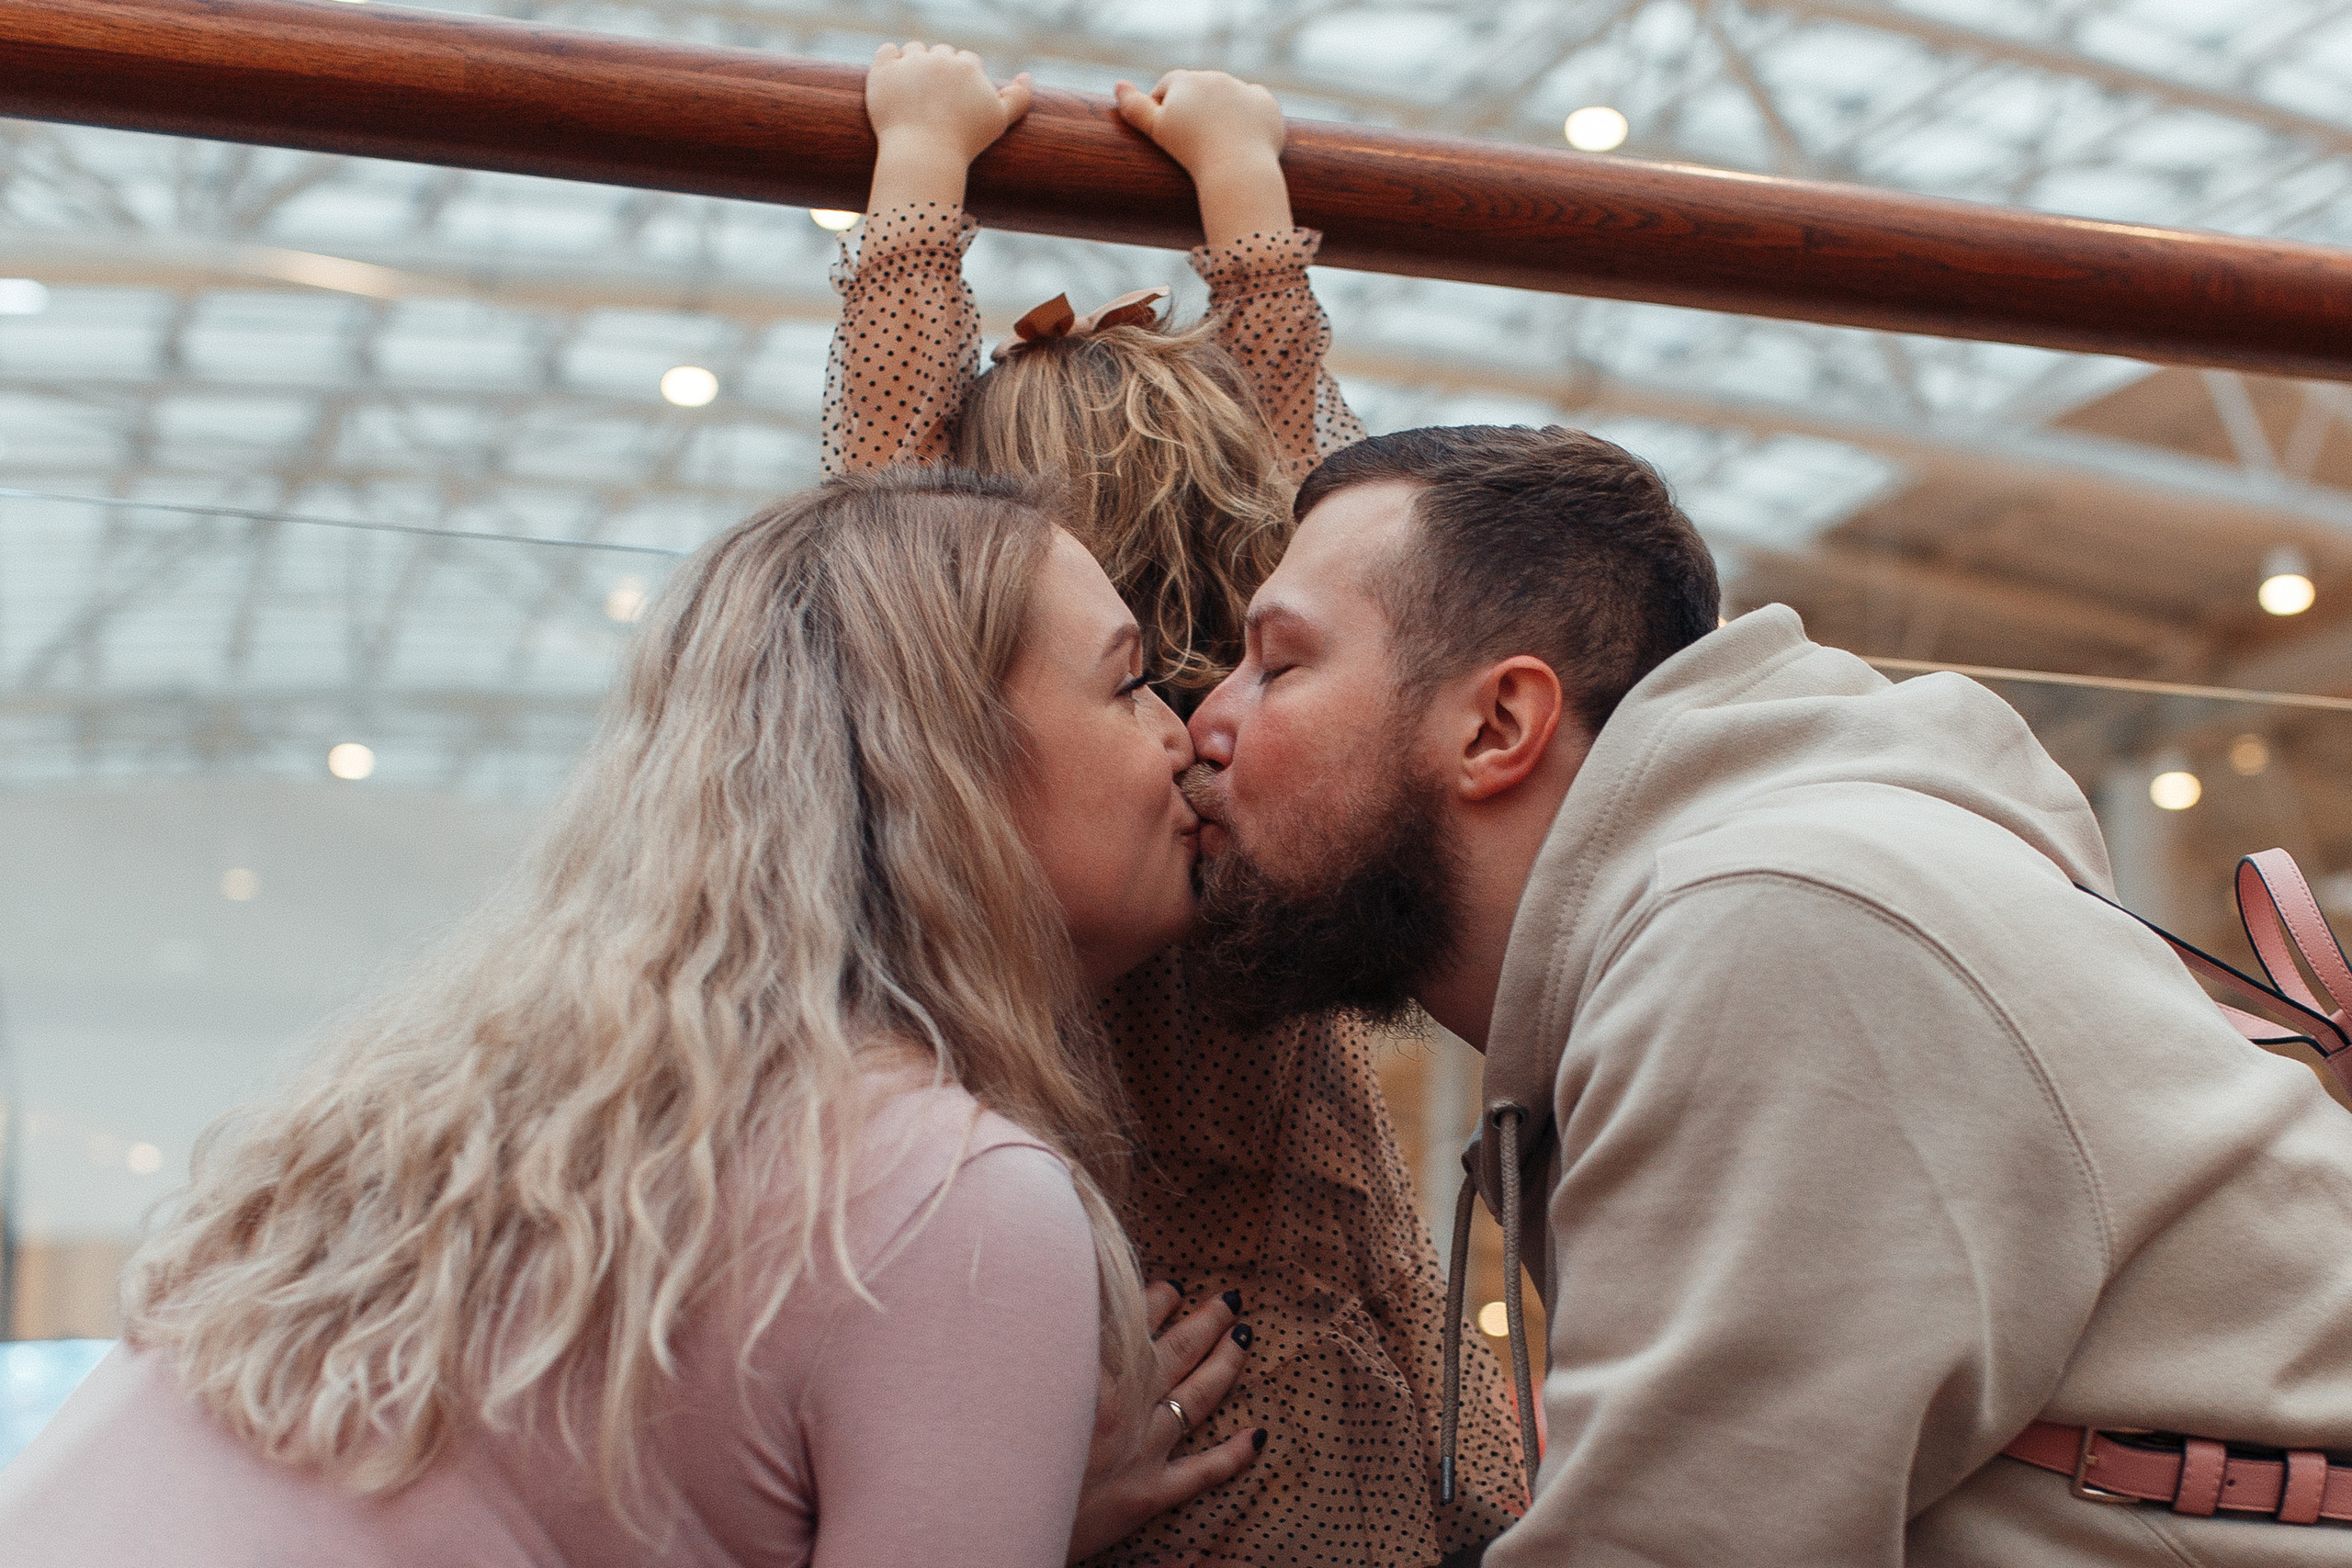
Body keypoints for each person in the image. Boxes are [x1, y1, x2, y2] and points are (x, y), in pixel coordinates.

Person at [0, 468, 1264, 1567]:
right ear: (947, 764)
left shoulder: (474, 1104)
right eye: (1131, 682)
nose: (1188, 731)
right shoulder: (955, 1193)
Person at [1182, 423, 2352, 1565]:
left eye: (1277, 665)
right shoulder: (1773, 890)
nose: (1206, 725)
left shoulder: (1767, 925)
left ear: (1497, 725)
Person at [822, 42, 1525, 1568]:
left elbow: (876, 493)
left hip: (1118, 1350)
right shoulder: (1279, 768)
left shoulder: (1003, 755)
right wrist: (1243, 179)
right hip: (1350, 1353)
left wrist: (922, 161)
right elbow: (1320, 469)